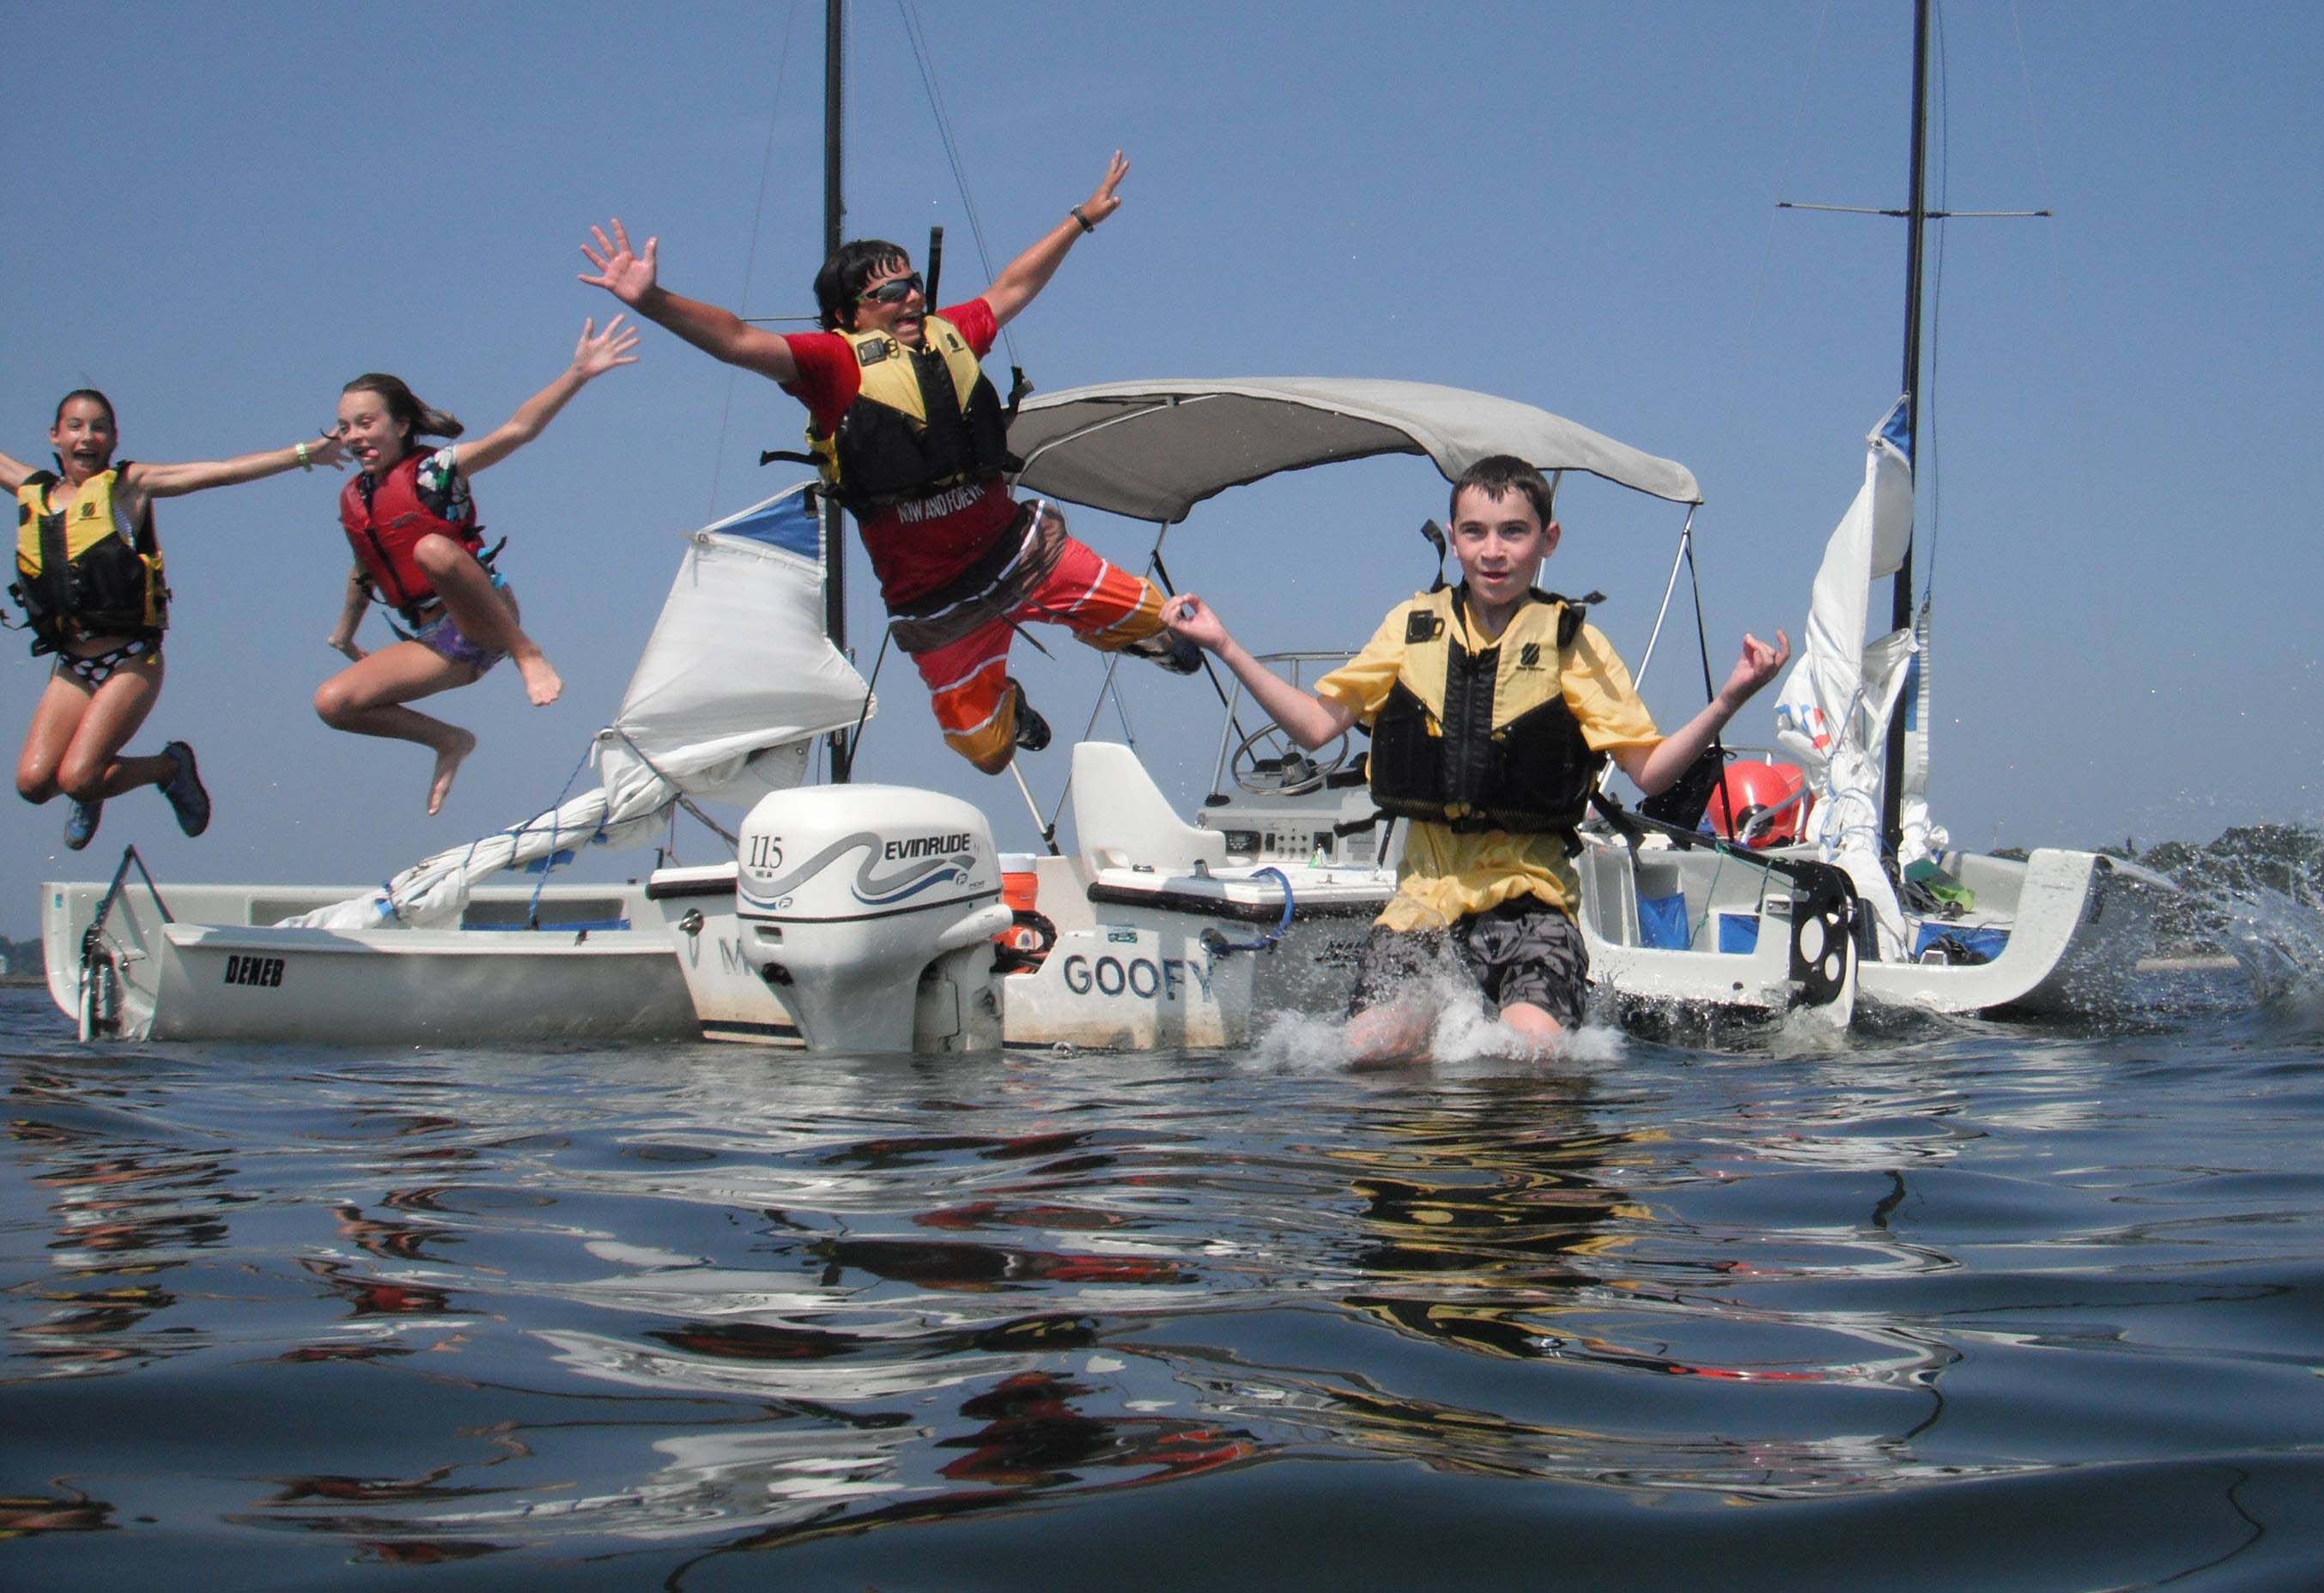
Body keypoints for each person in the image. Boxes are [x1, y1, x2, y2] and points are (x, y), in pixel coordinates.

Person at [578, 154, 1199, 774]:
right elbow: (737, 338)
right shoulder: (831, 365)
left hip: (1019, 548)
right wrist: (651, 299)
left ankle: (1136, 634)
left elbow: (1012, 287)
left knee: (1170, 622)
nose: (912, 297)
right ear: (850, 314)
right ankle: (1011, 710)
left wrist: (1080, 219)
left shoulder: (949, 332)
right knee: (987, 752)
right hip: (934, 598)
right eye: (890, 291)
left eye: (915, 284)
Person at [1169, 453, 1789, 1063]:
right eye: (1475, 532)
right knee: (1370, 1052)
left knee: (1524, 1056)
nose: (1493, 551)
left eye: (1513, 532)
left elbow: (1649, 770)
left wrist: (1730, 697)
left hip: (1531, 907)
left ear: (1548, 540)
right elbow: (1313, 728)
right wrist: (1226, 645)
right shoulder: (1411, 626)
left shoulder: (1571, 642)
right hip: (1423, 909)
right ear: (1455, 540)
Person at [315, 318, 638, 814]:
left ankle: (528, 654)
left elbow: (519, 430)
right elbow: (365, 568)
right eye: (345, 427)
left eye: (366, 422)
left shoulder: (435, 470)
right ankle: (450, 741)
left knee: (431, 550)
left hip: (484, 617)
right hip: (438, 644)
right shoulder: (353, 499)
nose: (354, 436)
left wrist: (578, 373)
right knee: (332, 704)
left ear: (401, 425)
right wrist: (343, 633)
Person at [6, 389, 337, 849]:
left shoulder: (128, 486)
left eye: (99, 427)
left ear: (114, 439)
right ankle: (98, 778)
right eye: (76, 426)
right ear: (55, 435)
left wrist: (304, 454)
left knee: (80, 778)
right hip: (72, 666)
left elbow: (219, 472)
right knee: (33, 784)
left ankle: (170, 767)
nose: (87, 436)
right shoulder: (32, 490)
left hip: (130, 661)